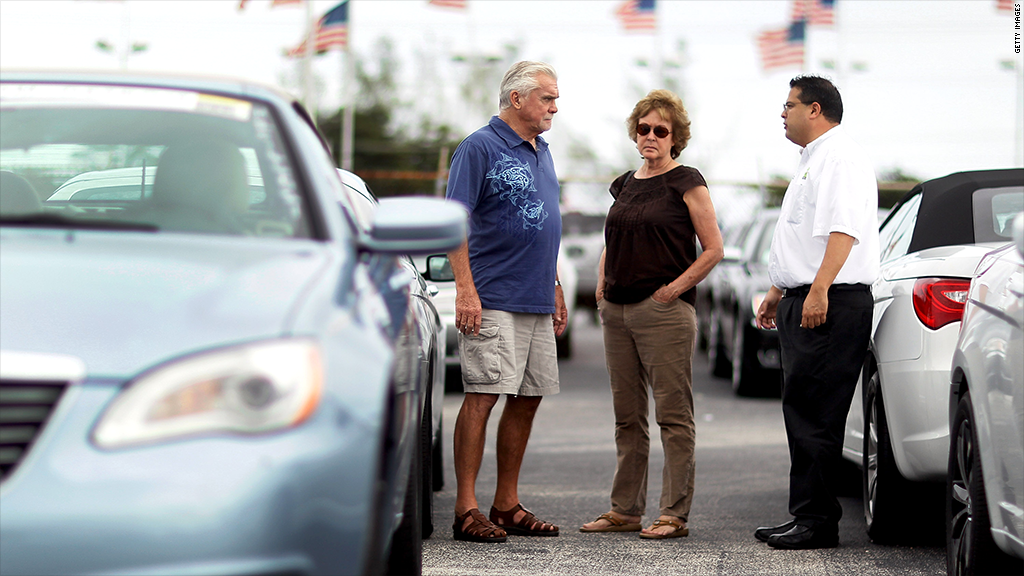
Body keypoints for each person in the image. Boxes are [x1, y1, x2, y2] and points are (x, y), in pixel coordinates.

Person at [580, 89, 723, 540]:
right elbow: (615, 237)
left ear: (675, 137)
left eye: (661, 130)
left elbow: (714, 249)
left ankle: (673, 514)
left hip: (662, 313)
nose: (651, 136)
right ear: (635, 132)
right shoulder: (624, 183)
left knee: (673, 417)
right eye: (644, 128)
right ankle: (624, 510)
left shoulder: (687, 181)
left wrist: (673, 291)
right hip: (617, 312)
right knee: (627, 416)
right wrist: (602, 285)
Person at [753, 75, 879, 550]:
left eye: (789, 105)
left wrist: (819, 289)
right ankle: (806, 515)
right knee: (802, 410)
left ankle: (817, 523)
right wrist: (776, 289)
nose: (782, 113)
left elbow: (842, 232)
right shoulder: (813, 159)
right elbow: (803, 236)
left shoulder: (840, 157)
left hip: (829, 300)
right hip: (803, 295)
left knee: (817, 415)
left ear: (815, 109)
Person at [446, 61, 566, 543]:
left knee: (528, 396)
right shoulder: (479, 147)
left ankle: (506, 504)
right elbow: (454, 220)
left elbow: (545, 222)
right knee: (483, 395)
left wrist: (554, 283)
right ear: (517, 99)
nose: (555, 107)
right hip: (492, 296)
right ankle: (465, 509)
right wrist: (465, 289)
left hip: (535, 296)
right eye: (547, 98)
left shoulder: (543, 150)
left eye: (556, 99)